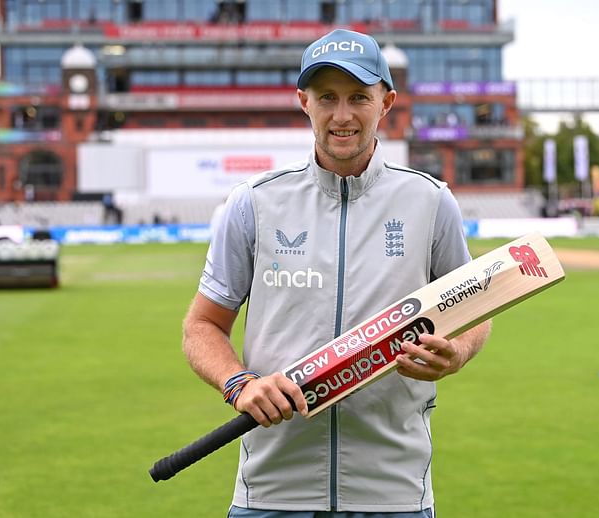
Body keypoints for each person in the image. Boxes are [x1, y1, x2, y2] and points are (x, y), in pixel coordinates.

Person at [182, 29, 492, 517]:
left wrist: (455, 353)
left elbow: (475, 311)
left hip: (394, 491)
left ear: (385, 102)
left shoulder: (430, 202)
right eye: (327, 97)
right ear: (303, 101)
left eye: (358, 98)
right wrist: (239, 383)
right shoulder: (254, 203)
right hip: (272, 491)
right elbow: (202, 326)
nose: (342, 115)